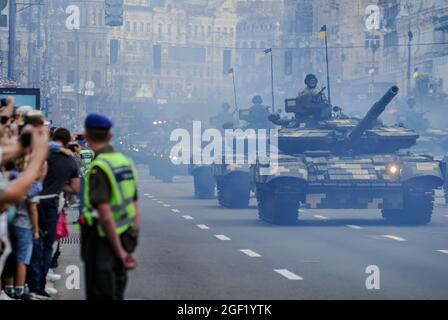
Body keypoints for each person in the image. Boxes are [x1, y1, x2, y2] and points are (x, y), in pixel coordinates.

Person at [80, 113, 141, 300]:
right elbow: (135, 207)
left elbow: (105, 216)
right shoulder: (125, 163)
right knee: (117, 291)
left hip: (103, 240)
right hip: (127, 235)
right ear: (110, 136)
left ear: (87, 137)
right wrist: (129, 245)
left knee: (101, 293)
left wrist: (119, 251)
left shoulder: (99, 167)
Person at [27, 127, 80, 299]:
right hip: (52, 204)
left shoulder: (43, 153)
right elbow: (75, 188)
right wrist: (58, 186)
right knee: (47, 244)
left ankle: (29, 283)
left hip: (30, 200)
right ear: (67, 142)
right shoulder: (70, 161)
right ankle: (39, 285)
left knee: (31, 243)